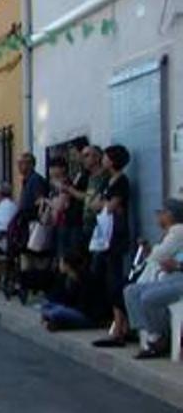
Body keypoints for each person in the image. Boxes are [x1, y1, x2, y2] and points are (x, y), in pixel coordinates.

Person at [121, 198, 183, 359]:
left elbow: (159, 255)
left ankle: (159, 335)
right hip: (171, 275)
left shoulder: (178, 231)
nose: (158, 216)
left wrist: (176, 266)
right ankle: (153, 333)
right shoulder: (172, 232)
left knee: (149, 297)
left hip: (179, 277)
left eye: (161, 212)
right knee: (131, 291)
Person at [91, 145, 134, 348]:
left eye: (107, 157)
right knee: (108, 278)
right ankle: (118, 324)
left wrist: (102, 204)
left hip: (115, 235)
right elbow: (96, 203)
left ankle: (119, 327)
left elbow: (109, 206)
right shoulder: (109, 181)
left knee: (114, 280)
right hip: (106, 235)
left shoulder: (121, 182)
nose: (104, 160)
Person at [40, 251, 108, 331]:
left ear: (67, 265)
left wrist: (67, 306)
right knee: (47, 305)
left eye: (61, 263)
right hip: (76, 309)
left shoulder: (86, 279)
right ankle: (55, 322)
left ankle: (55, 322)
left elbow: (83, 305)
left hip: (88, 315)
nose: (59, 265)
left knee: (57, 312)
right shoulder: (69, 279)